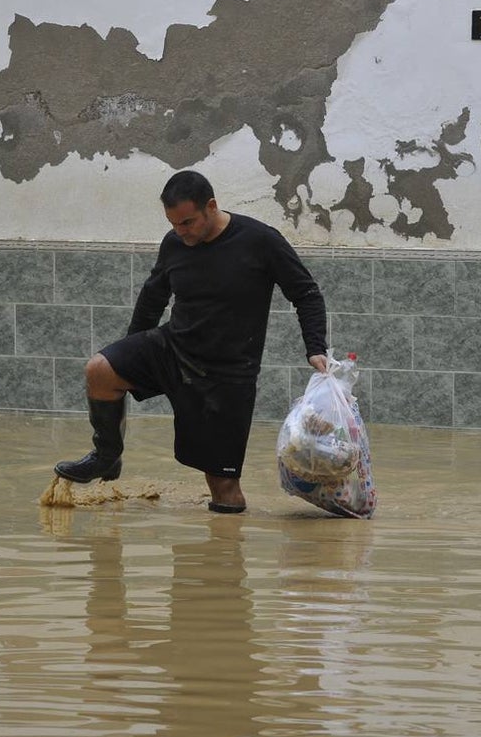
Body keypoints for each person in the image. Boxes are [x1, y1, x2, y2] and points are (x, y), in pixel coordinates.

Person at [55, 169, 328, 513]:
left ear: (211, 206)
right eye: (174, 224)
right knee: (101, 370)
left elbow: (306, 292)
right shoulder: (175, 244)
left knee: (224, 488)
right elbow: (153, 298)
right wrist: (129, 349)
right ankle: (107, 456)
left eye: (187, 223)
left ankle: (221, 556)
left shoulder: (260, 241)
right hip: (174, 349)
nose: (180, 232)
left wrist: (315, 347)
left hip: (227, 375)